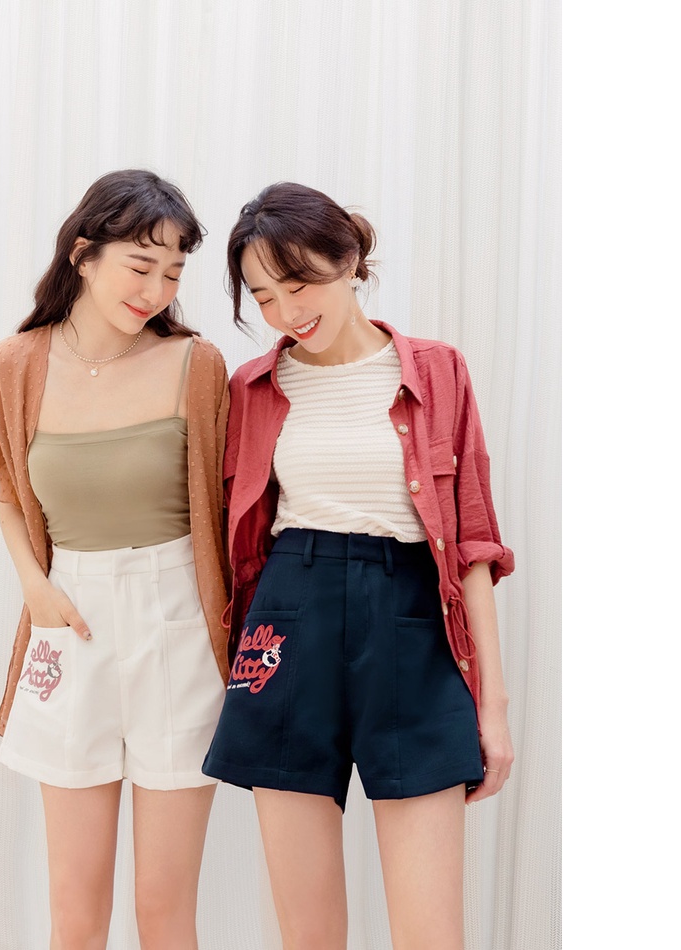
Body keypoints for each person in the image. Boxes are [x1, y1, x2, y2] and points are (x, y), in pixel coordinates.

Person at [202, 182, 515, 950]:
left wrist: (494, 708)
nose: (285, 312)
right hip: (288, 621)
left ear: (349, 260)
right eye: (263, 296)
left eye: (298, 283)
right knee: (308, 935)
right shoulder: (251, 388)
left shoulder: (438, 371)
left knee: (431, 935)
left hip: (411, 624)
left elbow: (474, 544)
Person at [0, 169, 230, 950]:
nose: (157, 290)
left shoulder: (195, 365)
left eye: (174, 273)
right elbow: (6, 488)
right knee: (75, 911)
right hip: (69, 619)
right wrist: (33, 585)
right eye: (141, 266)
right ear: (83, 256)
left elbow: (231, 502)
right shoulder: (14, 366)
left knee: (164, 910)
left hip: (176, 623)